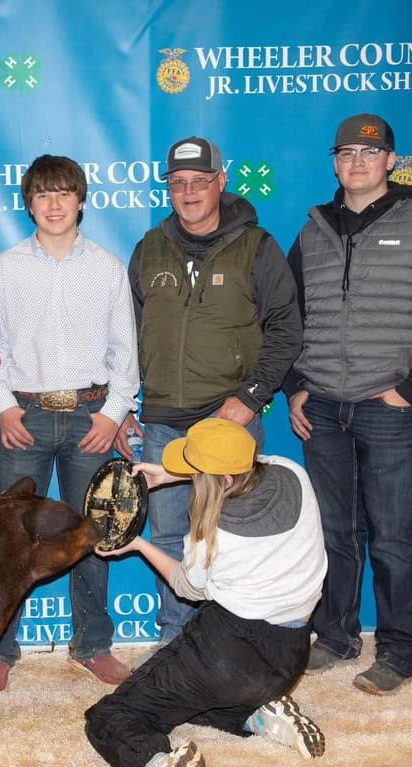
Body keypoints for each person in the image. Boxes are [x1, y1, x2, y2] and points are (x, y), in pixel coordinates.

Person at [285, 114, 412, 695]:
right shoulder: (312, 231)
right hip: (323, 409)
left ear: (391, 160)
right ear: (334, 162)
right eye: (346, 153)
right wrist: (295, 385)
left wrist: (410, 390)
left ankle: (400, 648)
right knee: (335, 530)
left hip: (387, 405)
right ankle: (336, 636)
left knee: (391, 534)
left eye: (370, 153)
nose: (357, 162)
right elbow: (286, 318)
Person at [85, 418, 327, 767]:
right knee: (199, 699)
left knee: (112, 715)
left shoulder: (212, 533)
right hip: (290, 653)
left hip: (226, 653)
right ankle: (261, 716)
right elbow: (237, 470)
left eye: (195, 472)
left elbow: (186, 587)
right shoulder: (292, 473)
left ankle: (159, 765)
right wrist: (169, 474)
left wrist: (137, 545)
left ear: (221, 480)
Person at [119, 136, 301, 645]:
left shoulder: (257, 247)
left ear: (222, 183)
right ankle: (175, 646)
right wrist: (127, 406)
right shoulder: (148, 248)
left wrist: (249, 398)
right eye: (178, 184)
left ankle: (232, 646)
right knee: (171, 536)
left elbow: (286, 329)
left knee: (231, 536)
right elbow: (129, 334)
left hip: (228, 420)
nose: (189, 192)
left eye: (200, 182)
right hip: (161, 421)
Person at [0, 154, 140, 693]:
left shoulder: (107, 267)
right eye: (43, 194)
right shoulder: (6, 267)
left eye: (64, 193)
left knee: (91, 533)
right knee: (10, 539)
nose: (53, 204)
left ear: (80, 200)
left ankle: (92, 644)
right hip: (23, 415)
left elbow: (126, 351)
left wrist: (113, 413)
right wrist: (1, 404)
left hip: (88, 418)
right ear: (28, 203)